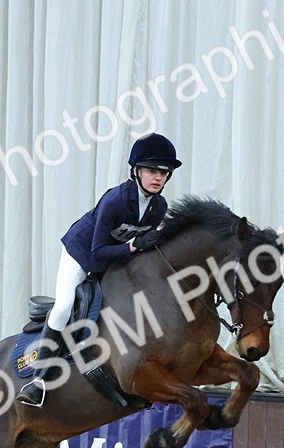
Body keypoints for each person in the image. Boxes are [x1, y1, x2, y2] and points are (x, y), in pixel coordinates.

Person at [16, 132, 183, 407]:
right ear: (136, 171)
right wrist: (133, 246)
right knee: (64, 305)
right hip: (82, 255)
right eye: (152, 171)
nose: (158, 178)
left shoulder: (158, 207)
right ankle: (38, 380)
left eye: (163, 173)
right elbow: (98, 251)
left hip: (114, 261)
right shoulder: (115, 200)